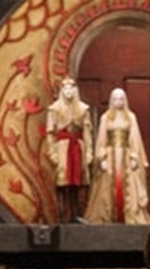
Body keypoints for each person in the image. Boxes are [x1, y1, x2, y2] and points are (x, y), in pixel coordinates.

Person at [83, 87, 150, 224]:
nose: (118, 101)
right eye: (115, 99)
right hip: (110, 157)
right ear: (111, 100)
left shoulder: (131, 117)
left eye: (121, 99)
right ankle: (106, 216)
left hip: (126, 155)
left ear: (125, 100)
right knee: (106, 186)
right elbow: (101, 140)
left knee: (130, 185)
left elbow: (135, 138)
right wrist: (102, 158)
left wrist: (134, 156)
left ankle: (130, 215)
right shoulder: (105, 118)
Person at [46, 76, 93, 223]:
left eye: (71, 88)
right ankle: (62, 215)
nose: (68, 91)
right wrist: (53, 153)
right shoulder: (54, 109)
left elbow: (87, 132)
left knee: (78, 182)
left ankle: (77, 214)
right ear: (62, 90)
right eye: (65, 88)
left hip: (78, 147)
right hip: (63, 148)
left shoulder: (83, 109)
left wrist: (89, 152)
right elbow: (50, 133)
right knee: (62, 181)